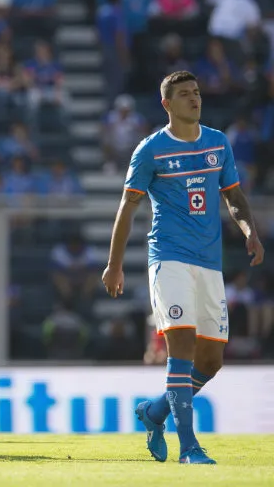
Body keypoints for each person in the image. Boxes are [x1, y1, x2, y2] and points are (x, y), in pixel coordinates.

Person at [102, 71, 265, 465]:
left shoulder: (217, 142)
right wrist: (115, 263)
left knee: (211, 362)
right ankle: (189, 447)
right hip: (169, 260)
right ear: (166, 104)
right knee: (182, 351)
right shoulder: (150, 150)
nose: (195, 98)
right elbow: (128, 206)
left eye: (197, 92)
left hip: (210, 264)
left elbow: (234, 196)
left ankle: (155, 412)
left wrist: (249, 230)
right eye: (185, 94)